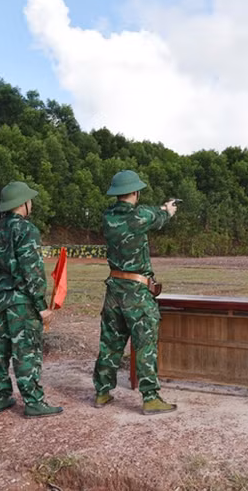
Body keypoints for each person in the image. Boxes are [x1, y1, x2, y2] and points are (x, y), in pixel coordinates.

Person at [93, 169, 178, 415]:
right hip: (137, 291)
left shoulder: (108, 217)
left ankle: (102, 392)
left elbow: (145, 215)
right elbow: (158, 218)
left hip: (114, 289)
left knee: (110, 343)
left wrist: (160, 210)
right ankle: (150, 397)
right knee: (145, 344)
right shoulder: (139, 215)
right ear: (135, 192)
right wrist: (168, 210)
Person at [0, 181, 63, 418]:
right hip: (22, 302)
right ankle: (33, 402)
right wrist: (41, 306)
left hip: (0, 299)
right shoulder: (27, 230)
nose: (32, 203)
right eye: (30, 200)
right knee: (26, 350)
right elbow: (32, 271)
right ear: (23, 203)